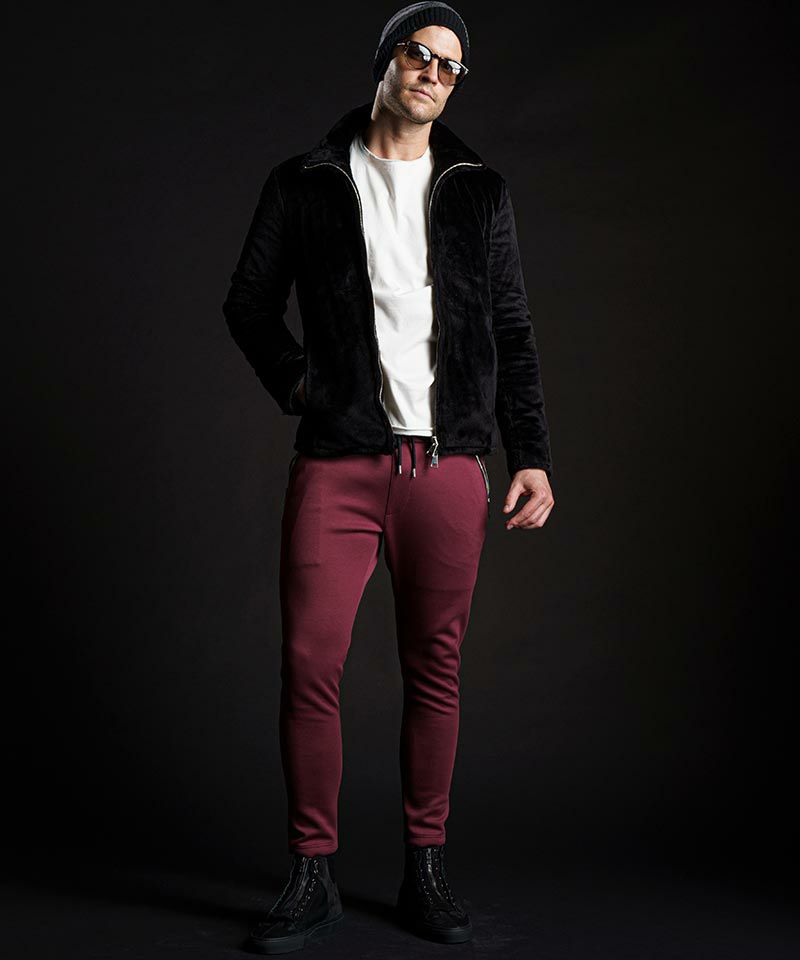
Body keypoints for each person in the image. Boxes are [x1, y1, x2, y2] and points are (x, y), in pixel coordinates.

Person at [222, 2, 555, 952]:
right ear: (386, 60)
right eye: (420, 55)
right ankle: (311, 871)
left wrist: (530, 453)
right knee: (309, 664)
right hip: (339, 462)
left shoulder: (478, 190)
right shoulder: (307, 181)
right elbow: (248, 303)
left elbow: (512, 327)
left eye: (451, 67)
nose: (434, 75)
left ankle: (426, 868)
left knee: (434, 671)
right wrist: (300, 384)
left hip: (447, 466)